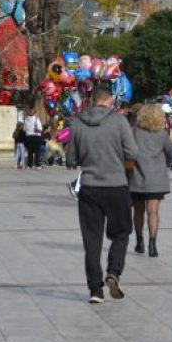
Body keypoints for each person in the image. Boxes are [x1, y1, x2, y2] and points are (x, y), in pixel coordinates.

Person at [66, 86, 139, 303]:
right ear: (108, 101)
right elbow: (133, 152)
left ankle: (95, 290)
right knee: (122, 232)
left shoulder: (77, 122)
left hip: (89, 187)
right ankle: (114, 271)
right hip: (116, 185)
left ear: (92, 100)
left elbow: (71, 159)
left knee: (92, 240)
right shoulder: (118, 121)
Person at [128, 103, 172, 258]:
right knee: (153, 211)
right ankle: (152, 244)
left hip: (137, 178)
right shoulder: (162, 134)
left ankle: (139, 241)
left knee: (138, 211)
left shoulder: (133, 132)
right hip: (156, 179)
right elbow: (170, 153)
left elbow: (127, 151)